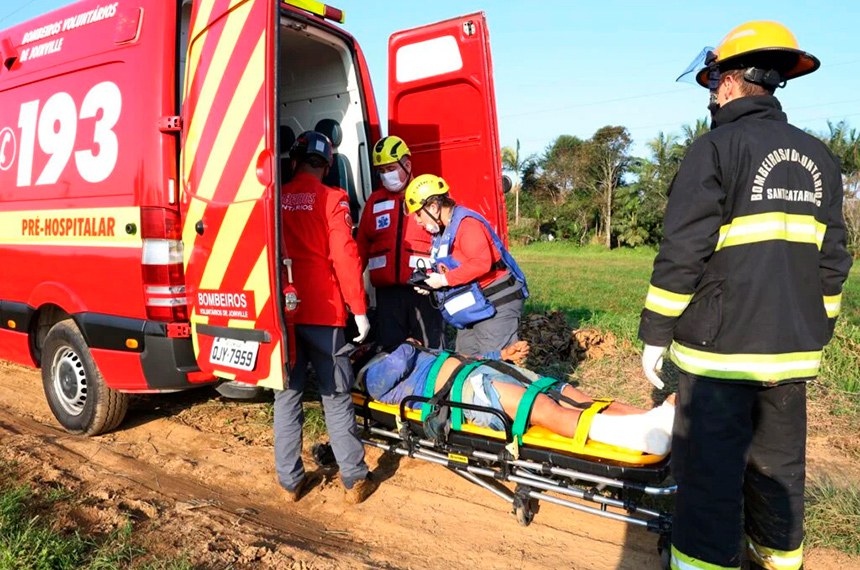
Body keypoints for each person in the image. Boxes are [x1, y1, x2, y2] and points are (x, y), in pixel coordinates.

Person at [638, 21, 852, 570]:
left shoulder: (714, 150)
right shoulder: (819, 157)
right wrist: (817, 326)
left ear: (732, 83)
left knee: (709, 478)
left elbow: (682, 253)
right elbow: (833, 259)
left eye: (714, 83)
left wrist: (654, 335)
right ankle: (779, 562)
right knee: (780, 473)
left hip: (719, 357)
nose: (712, 94)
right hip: (791, 355)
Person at [276, 130, 375, 504]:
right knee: (335, 395)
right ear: (328, 166)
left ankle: (290, 481)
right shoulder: (333, 198)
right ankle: (353, 478)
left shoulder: (276, 197)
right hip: (324, 313)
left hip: (283, 314)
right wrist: (359, 309)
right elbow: (345, 258)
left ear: (295, 159)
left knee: (288, 395)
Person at [358, 342, 676, 456]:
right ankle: (647, 436)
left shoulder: (397, 354)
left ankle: (655, 417)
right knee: (541, 408)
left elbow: (463, 354)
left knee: (569, 394)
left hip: (481, 370)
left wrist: (501, 355)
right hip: (462, 392)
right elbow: (400, 362)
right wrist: (410, 343)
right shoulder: (370, 377)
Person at [404, 174, 529, 358]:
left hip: (496, 302)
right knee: (464, 361)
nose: (417, 220)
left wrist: (443, 280)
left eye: (418, 213)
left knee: (494, 365)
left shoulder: (467, 224)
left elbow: (481, 263)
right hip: (475, 306)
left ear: (433, 207)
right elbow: (454, 267)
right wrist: (431, 284)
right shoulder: (443, 231)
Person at [356, 136, 445, 350]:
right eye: (381, 170)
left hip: (423, 289)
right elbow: (360, 249)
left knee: (431, 350)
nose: (386, 175)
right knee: (391, 352)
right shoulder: (375, 201)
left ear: (407, 165)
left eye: (390, 168)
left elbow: (449, 241)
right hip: (387, 296)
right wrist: (355, 292)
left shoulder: (429, 197)